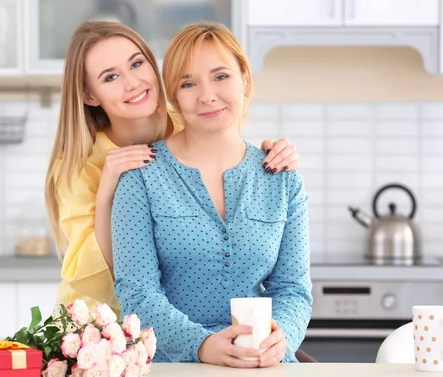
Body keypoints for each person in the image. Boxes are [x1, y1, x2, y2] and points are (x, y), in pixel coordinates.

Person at [44, 21, 302, 317]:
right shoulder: (79, 163)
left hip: (167, 325)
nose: (132, 83)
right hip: (96, 323)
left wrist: (276, 154)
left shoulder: (186, 121)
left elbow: (231, 150)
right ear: (90, 95)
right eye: (111, 76)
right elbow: (108, 279)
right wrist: (107, 193)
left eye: (137, 64)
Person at [111, 22, 312, 368]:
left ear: (244, 80)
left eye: (221, 76)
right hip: (174, 364)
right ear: (173, 95)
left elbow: (294, 290)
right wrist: (201, 345)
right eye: (188, 83)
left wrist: (282, 338)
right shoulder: (141, 177)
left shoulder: (282, 178)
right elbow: (137, 293)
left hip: (262, 365)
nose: (207, 95)